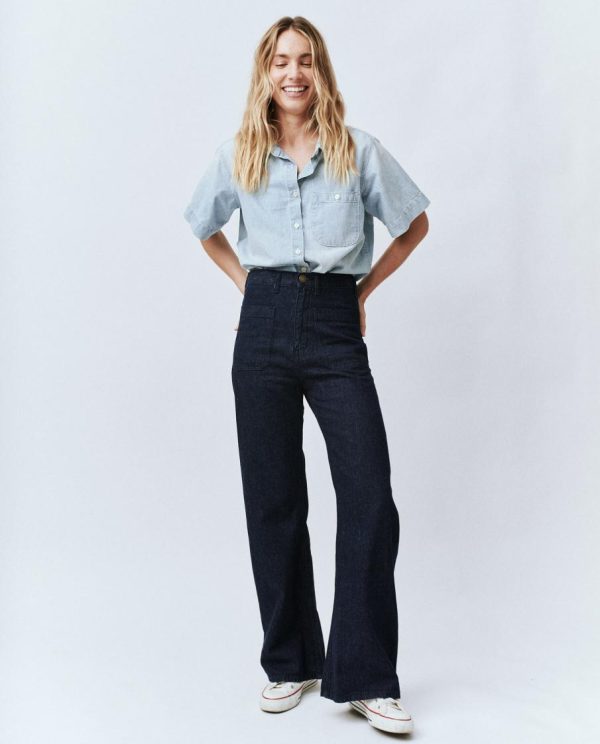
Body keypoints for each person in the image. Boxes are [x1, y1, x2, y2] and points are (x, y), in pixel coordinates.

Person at [183, 16, 430, 736]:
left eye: (306, 61)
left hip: (333, 324)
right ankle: (291, 659)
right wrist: (247, 287)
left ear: (321, 73)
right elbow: (203, 226)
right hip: (262, 323)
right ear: (266, 73)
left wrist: (361, 293)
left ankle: (366, 675)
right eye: (282, 61)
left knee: (369, 496)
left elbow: (413, 225)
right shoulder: (239, 153)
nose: (294, 73)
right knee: (274, 499)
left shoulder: (359, 152)